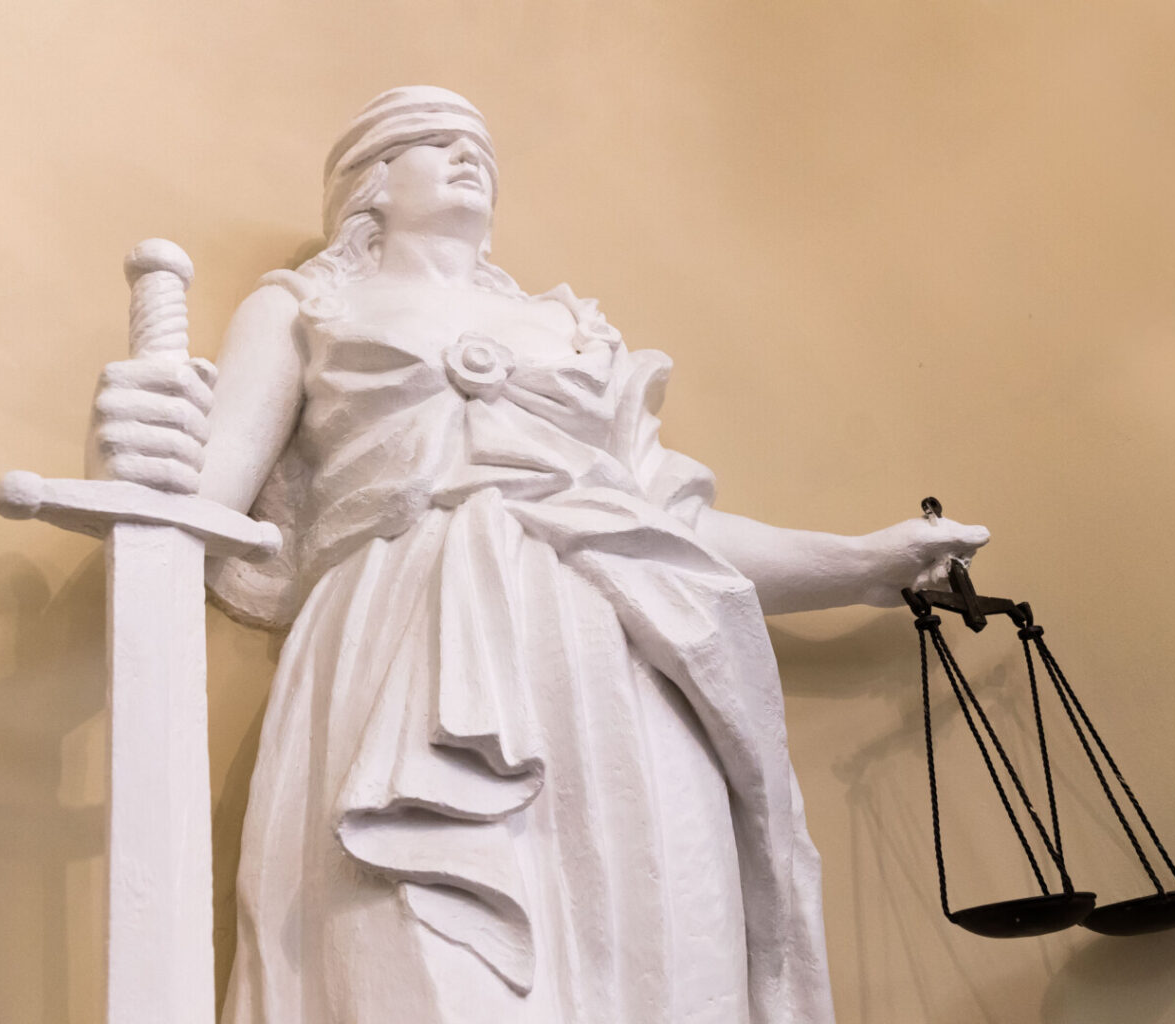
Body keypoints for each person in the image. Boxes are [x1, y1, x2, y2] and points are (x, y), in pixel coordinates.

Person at [91, 86, 988, 1024]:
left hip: (609, 662)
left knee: (646, 942)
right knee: (408, 937)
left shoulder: (575, 333)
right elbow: (195, 502)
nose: (468, 155)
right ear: (372, 182)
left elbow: (666, 527)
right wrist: (134, 444)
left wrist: (862, 563)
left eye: (479, 145)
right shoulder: (308, 304)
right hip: (409, 645)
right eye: (434, 140)